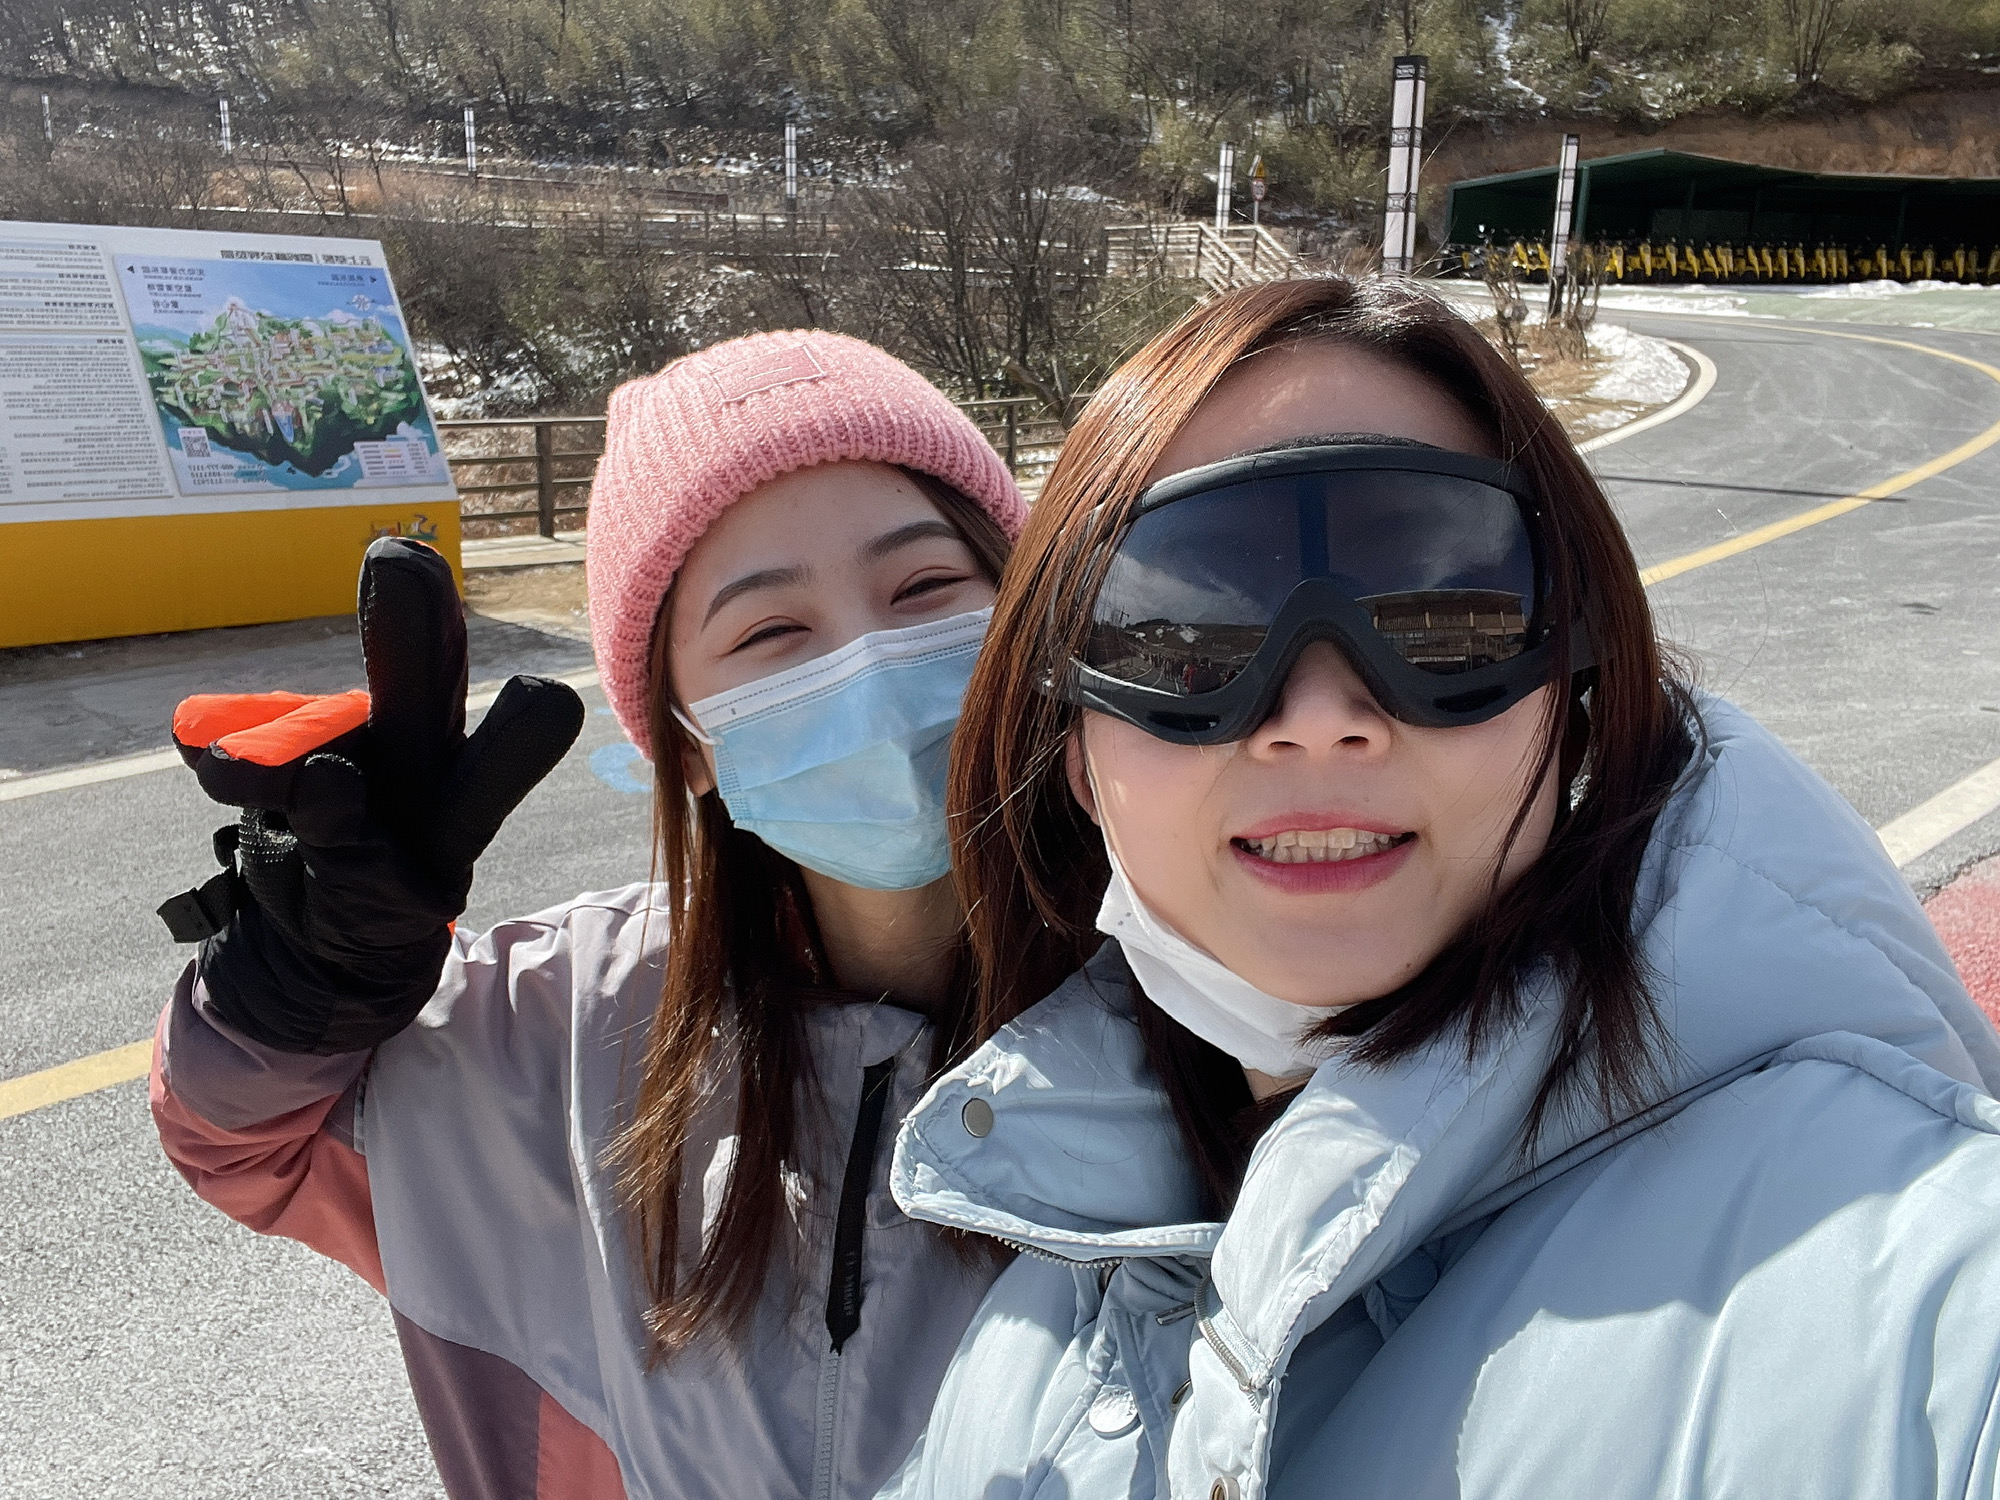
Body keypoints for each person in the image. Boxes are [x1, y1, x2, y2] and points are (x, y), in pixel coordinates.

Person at [878, 277, 2000, 1500]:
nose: (1318, 718)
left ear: (1571, 694)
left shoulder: (1913, 1286)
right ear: (1076, 760)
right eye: (1183, 634)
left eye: (1436, 619)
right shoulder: (1032, 1349)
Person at [147, 330, 1027, 1500]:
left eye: (924, 589)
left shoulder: (1195, 1009)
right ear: (684, 744)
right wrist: (303, 989)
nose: (868, 662)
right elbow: (240, 1142)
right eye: (770, 632)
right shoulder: (555, 1029)